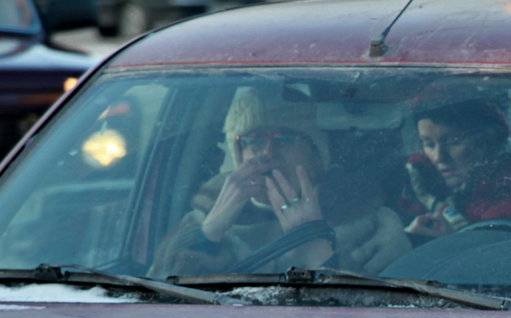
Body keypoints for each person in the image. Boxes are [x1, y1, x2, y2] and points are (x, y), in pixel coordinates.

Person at [154, 87, 411, 277]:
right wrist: (209, 230)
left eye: (285, 138)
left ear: (317, 155)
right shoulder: (204, 219)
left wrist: (315, 248)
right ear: (238, 154)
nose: (267, 152)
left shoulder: (370, 221)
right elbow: (155, 300)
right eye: (253, 140)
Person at [402, 87, 511, 243]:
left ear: (488, 140)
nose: (439, 157)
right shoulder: (423, 191)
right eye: (429, 144)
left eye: (453, 141)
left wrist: (454, 242)